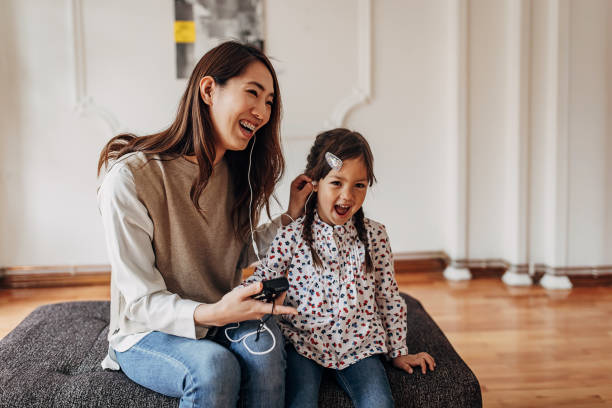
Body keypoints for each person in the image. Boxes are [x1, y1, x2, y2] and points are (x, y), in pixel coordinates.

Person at [96, 41, 312, 408]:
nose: (262, 112)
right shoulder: (130, 178)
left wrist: (291, 215)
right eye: (253, 94)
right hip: (148, 331)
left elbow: (238, 249)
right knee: (214, 366)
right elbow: (142, 300)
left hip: (220, 314)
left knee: (266, 346)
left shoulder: (237, 173)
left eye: (270, 102)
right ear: (209, 90)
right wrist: (214, 313)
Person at [243, 128, 436, 407]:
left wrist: (398, 351)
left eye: (359, 185)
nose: (348, 195)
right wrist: (235, 299)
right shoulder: (292, 234)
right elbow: (264, 276)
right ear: (314, 183)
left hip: (360, 347)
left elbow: (388, 296)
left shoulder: (375, 235)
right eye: (336, 183)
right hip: (303, 344)